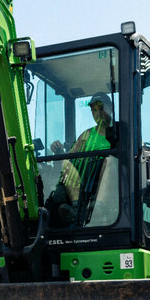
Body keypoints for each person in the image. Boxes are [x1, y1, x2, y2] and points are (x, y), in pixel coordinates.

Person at [47, 92, 115, 224]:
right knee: (65, 163)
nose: (98, 113)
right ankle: (76, 206)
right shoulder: (86, 135)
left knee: (111, 161)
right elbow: (71, 157)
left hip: (107, 180)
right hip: (85, 179)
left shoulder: (119, 132)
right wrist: (59, 150)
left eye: (101, 107)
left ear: (110, 108)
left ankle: (99, 208)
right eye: (94, 109)